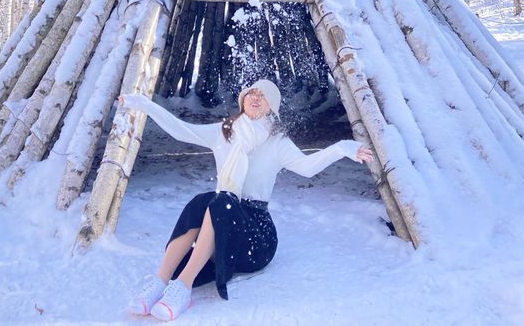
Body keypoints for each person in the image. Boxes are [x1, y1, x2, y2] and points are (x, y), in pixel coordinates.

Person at [118, 79, 374, 321]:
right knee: (203, 201)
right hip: (223, 217)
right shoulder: (225, 133)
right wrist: (144, 104)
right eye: (252, 92)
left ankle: (183, 288)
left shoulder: (277, 142)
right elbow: (180, 130)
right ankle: (160, 282)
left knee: (223, 200)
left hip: (256, 237)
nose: (255, 97)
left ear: (272, 108)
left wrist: (343, 148)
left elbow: (308, 167)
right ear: (243, 99)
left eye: (263, 96)